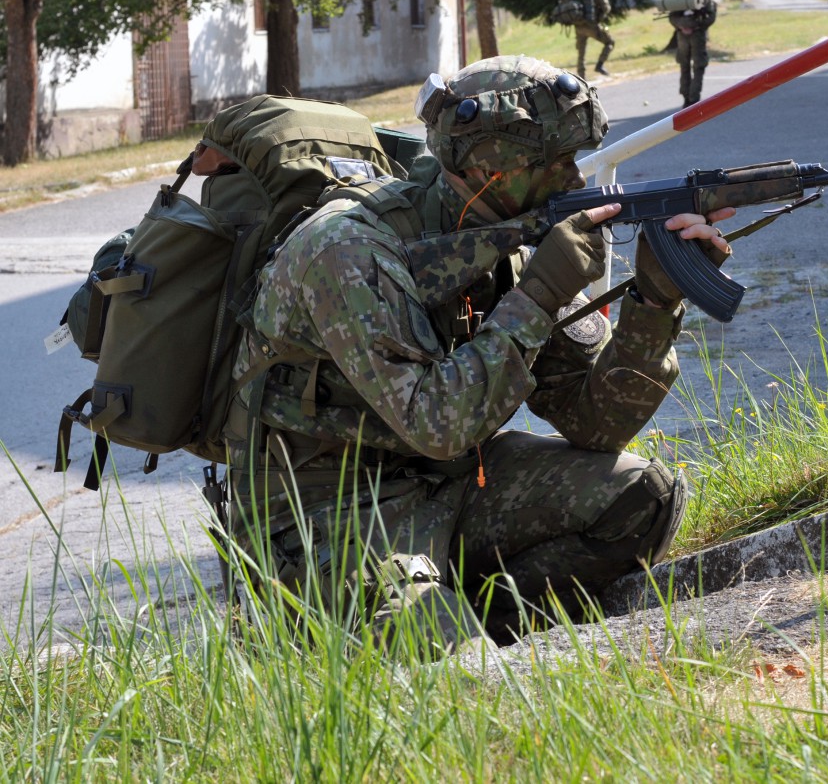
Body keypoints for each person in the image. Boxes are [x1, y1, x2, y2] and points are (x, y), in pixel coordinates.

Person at [222, 55, 735, 655]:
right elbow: (437, 427)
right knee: (447, 653)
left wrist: (654, 301)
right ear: (491, 170)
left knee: (642, 497)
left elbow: (597, 424)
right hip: (323, 514)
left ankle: (479, 623)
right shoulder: (347, 251)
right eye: (558, 162)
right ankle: (386, 627)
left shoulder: (509, 236)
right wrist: (538, 296)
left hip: (448, 486)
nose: (576, 179)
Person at [669, 0, 718, 108]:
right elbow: (711, 17)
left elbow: (672, 17)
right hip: (697, 36)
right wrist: (697, 26)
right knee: (699, 66)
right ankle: (694, 98)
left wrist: (682, 27)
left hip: (681, 36)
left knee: (684, 66)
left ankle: (686, 97)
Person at [574, 0, 614, 78]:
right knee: (610, 42)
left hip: (579, 26)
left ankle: (581, 76)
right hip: (592, 26)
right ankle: (599, 65)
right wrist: (599, 18)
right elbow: (606, 8)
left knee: (581, 52)